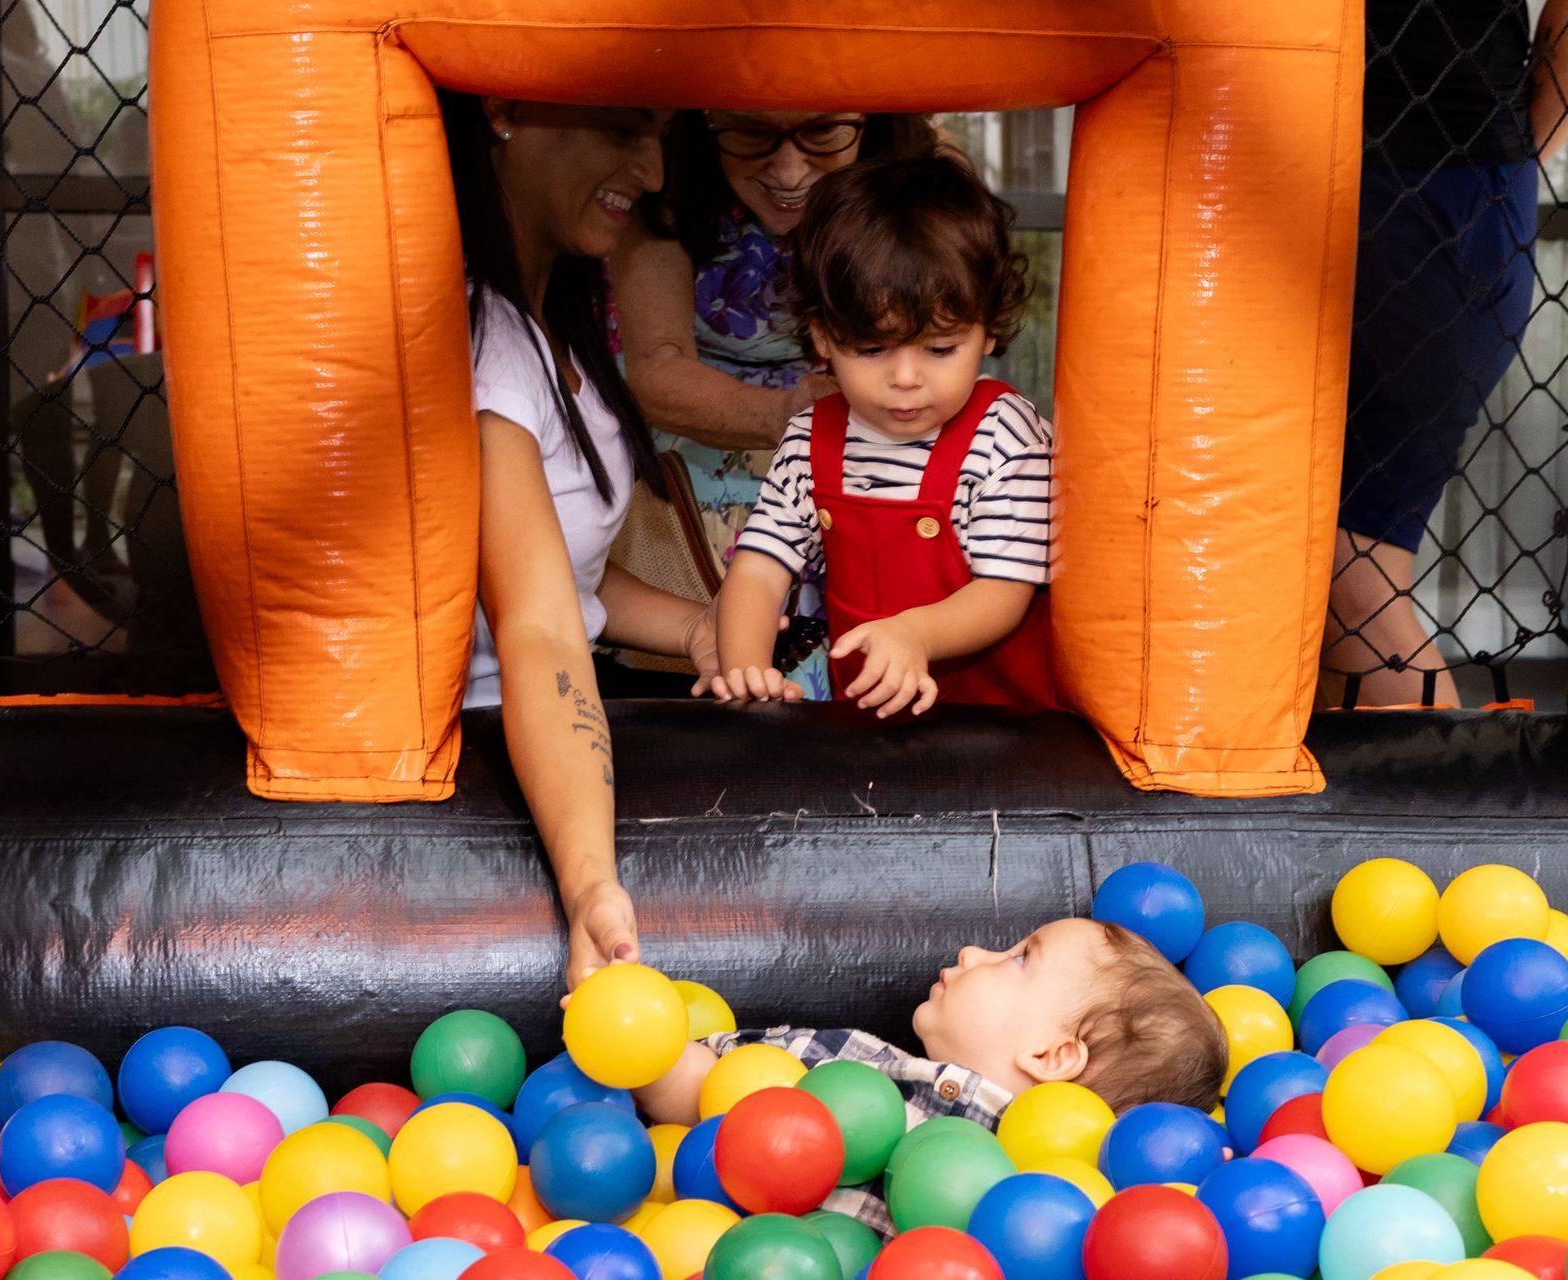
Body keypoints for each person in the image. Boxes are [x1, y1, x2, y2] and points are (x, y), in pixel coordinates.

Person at [441, 91, 721, 988]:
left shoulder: (543, 320)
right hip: (494, 750)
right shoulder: (483, 335)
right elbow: (536, 626)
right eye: (622, 128)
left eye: (659, 137)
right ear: (504, 110)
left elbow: (565, 570)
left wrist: (698, 628)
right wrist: (591, 886)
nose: (652, 172)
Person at [1327, 0, 1568, 706]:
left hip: (1433, 188)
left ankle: (1442, 779)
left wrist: (1509, 164)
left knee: (1347, 578)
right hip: (1395, 179)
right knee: (1312, 573)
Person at [707, 149, 1056, 717]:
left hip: (999, 726)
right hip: (863, 723)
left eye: (940, 349)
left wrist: (916, 634)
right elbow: (760, 569)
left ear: (988, 329)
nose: (906, 378)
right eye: (871, 349)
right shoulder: (809, 440)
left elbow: (1005, 592)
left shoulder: (1003, 435)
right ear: (823, 337)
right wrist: (746, 669)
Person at [609, 111, 939, 697]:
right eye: (751, 134)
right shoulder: (667, 194)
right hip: (696, 484)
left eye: (824, 132)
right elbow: (656, 369)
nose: (789, 170)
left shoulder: (915, 189)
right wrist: (800, 418)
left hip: (861, 461)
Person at [630, 916, 1229, 1232]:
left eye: (1018, 957)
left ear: (1050, 1056)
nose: (973, 953)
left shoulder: (1053, 1209)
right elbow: (707, 1091)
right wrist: (632, 1037)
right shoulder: (858, 1071)